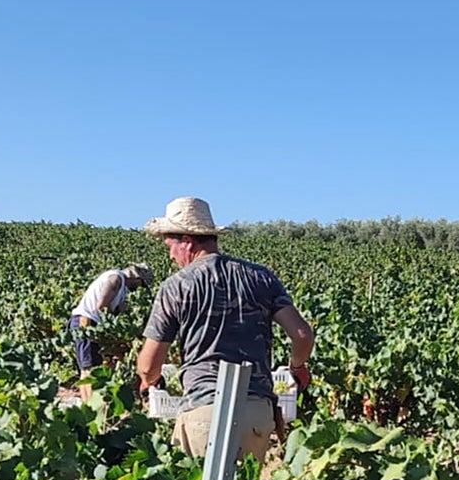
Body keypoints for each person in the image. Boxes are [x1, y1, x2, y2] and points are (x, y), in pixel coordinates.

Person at [135, 197, 314, 462]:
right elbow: (302, 335)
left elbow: (149, 365)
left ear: (187, 240)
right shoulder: (261, 277)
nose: (171, 255)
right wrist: (297, 367)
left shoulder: (176, 286)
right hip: (256, 413)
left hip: (204, 410)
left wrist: (148, 380)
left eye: (170, 246)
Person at [68, 262, 154, 401]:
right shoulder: (116, 279)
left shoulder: (121, 286)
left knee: (90, 367)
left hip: (93, 325)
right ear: (136, 278)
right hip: (87, 323)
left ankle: (88, 404)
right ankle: (90, 406)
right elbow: (101, 306)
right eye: (141, 284)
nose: (139, 288)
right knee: (89, 369)